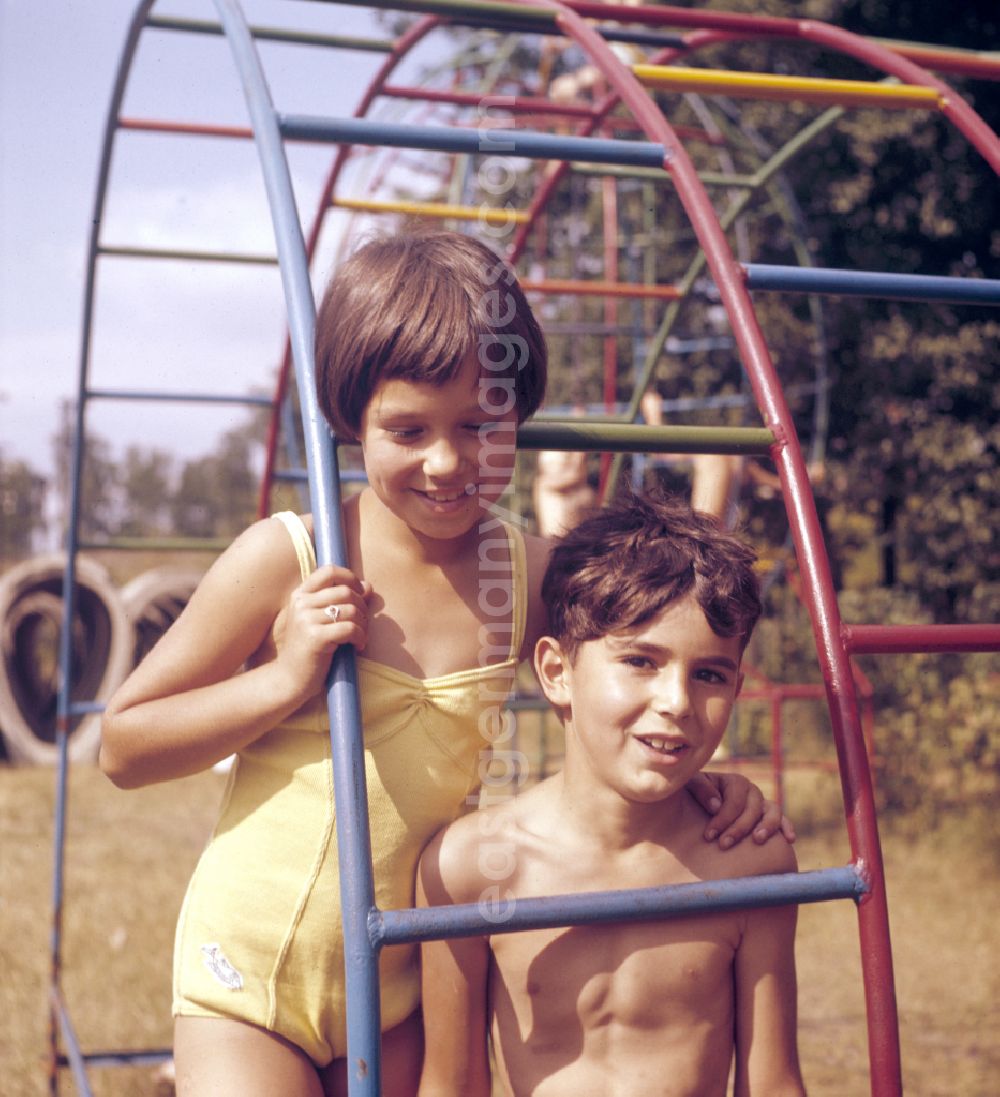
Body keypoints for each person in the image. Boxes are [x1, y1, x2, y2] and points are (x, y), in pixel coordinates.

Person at [99, 230, 790, 1097]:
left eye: (480, 426)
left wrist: (708, 784)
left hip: (398, 980)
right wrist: (281, 680)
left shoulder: (530, 572)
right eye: (408, 429)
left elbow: (651, 657)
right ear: (351, 418)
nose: (448, 462)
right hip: (249, 978)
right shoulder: (293, 556)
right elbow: (123, 747)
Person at [417, 490, 804, 1097]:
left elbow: (774, 1082)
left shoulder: (752, 863)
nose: (677, 702)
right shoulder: (470, 869)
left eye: (709, 674)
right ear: (555, 672)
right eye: (641, 661)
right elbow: (450, 1086)